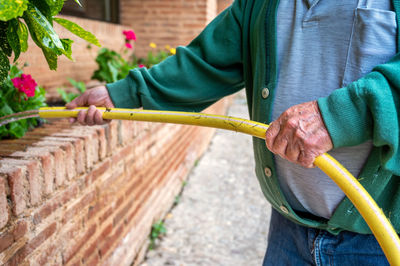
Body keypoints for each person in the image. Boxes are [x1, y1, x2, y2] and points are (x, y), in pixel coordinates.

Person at [67, 0, 400, 264]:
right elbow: (204, 63)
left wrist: (340, 117)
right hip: (289, 230)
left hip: (379, 240)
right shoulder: (259, 4)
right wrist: (121, 94)